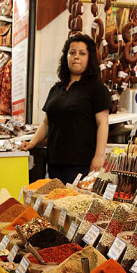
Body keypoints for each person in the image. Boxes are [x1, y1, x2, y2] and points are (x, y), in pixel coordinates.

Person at [20, 33, 111, 185]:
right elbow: (46, 123)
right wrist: (32, 143)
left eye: (82, 53)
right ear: (66, 57)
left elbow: (103, 124)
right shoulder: (56, 89)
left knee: (72, 205)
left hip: (80, 164)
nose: (76, 57)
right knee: (54, 203)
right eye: (72, 52)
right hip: (54, 162)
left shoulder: (97, 89)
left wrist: (99, 156)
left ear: (89, 58)